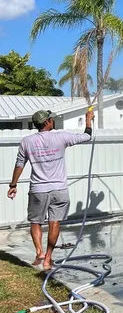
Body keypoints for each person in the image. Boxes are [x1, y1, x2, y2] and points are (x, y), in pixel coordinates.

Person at [6, 108, 94, 270]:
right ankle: (48, 258)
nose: (53, 120)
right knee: (54, 223)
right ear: (46, 122)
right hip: (59, 189)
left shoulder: (27, 141)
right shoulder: (61, 137)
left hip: (38, 189)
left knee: (35, 222)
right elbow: (87, 136)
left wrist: (13, 185)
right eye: (51, 118)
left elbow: (20, 164)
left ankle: (39, 253)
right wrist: (88, 120)